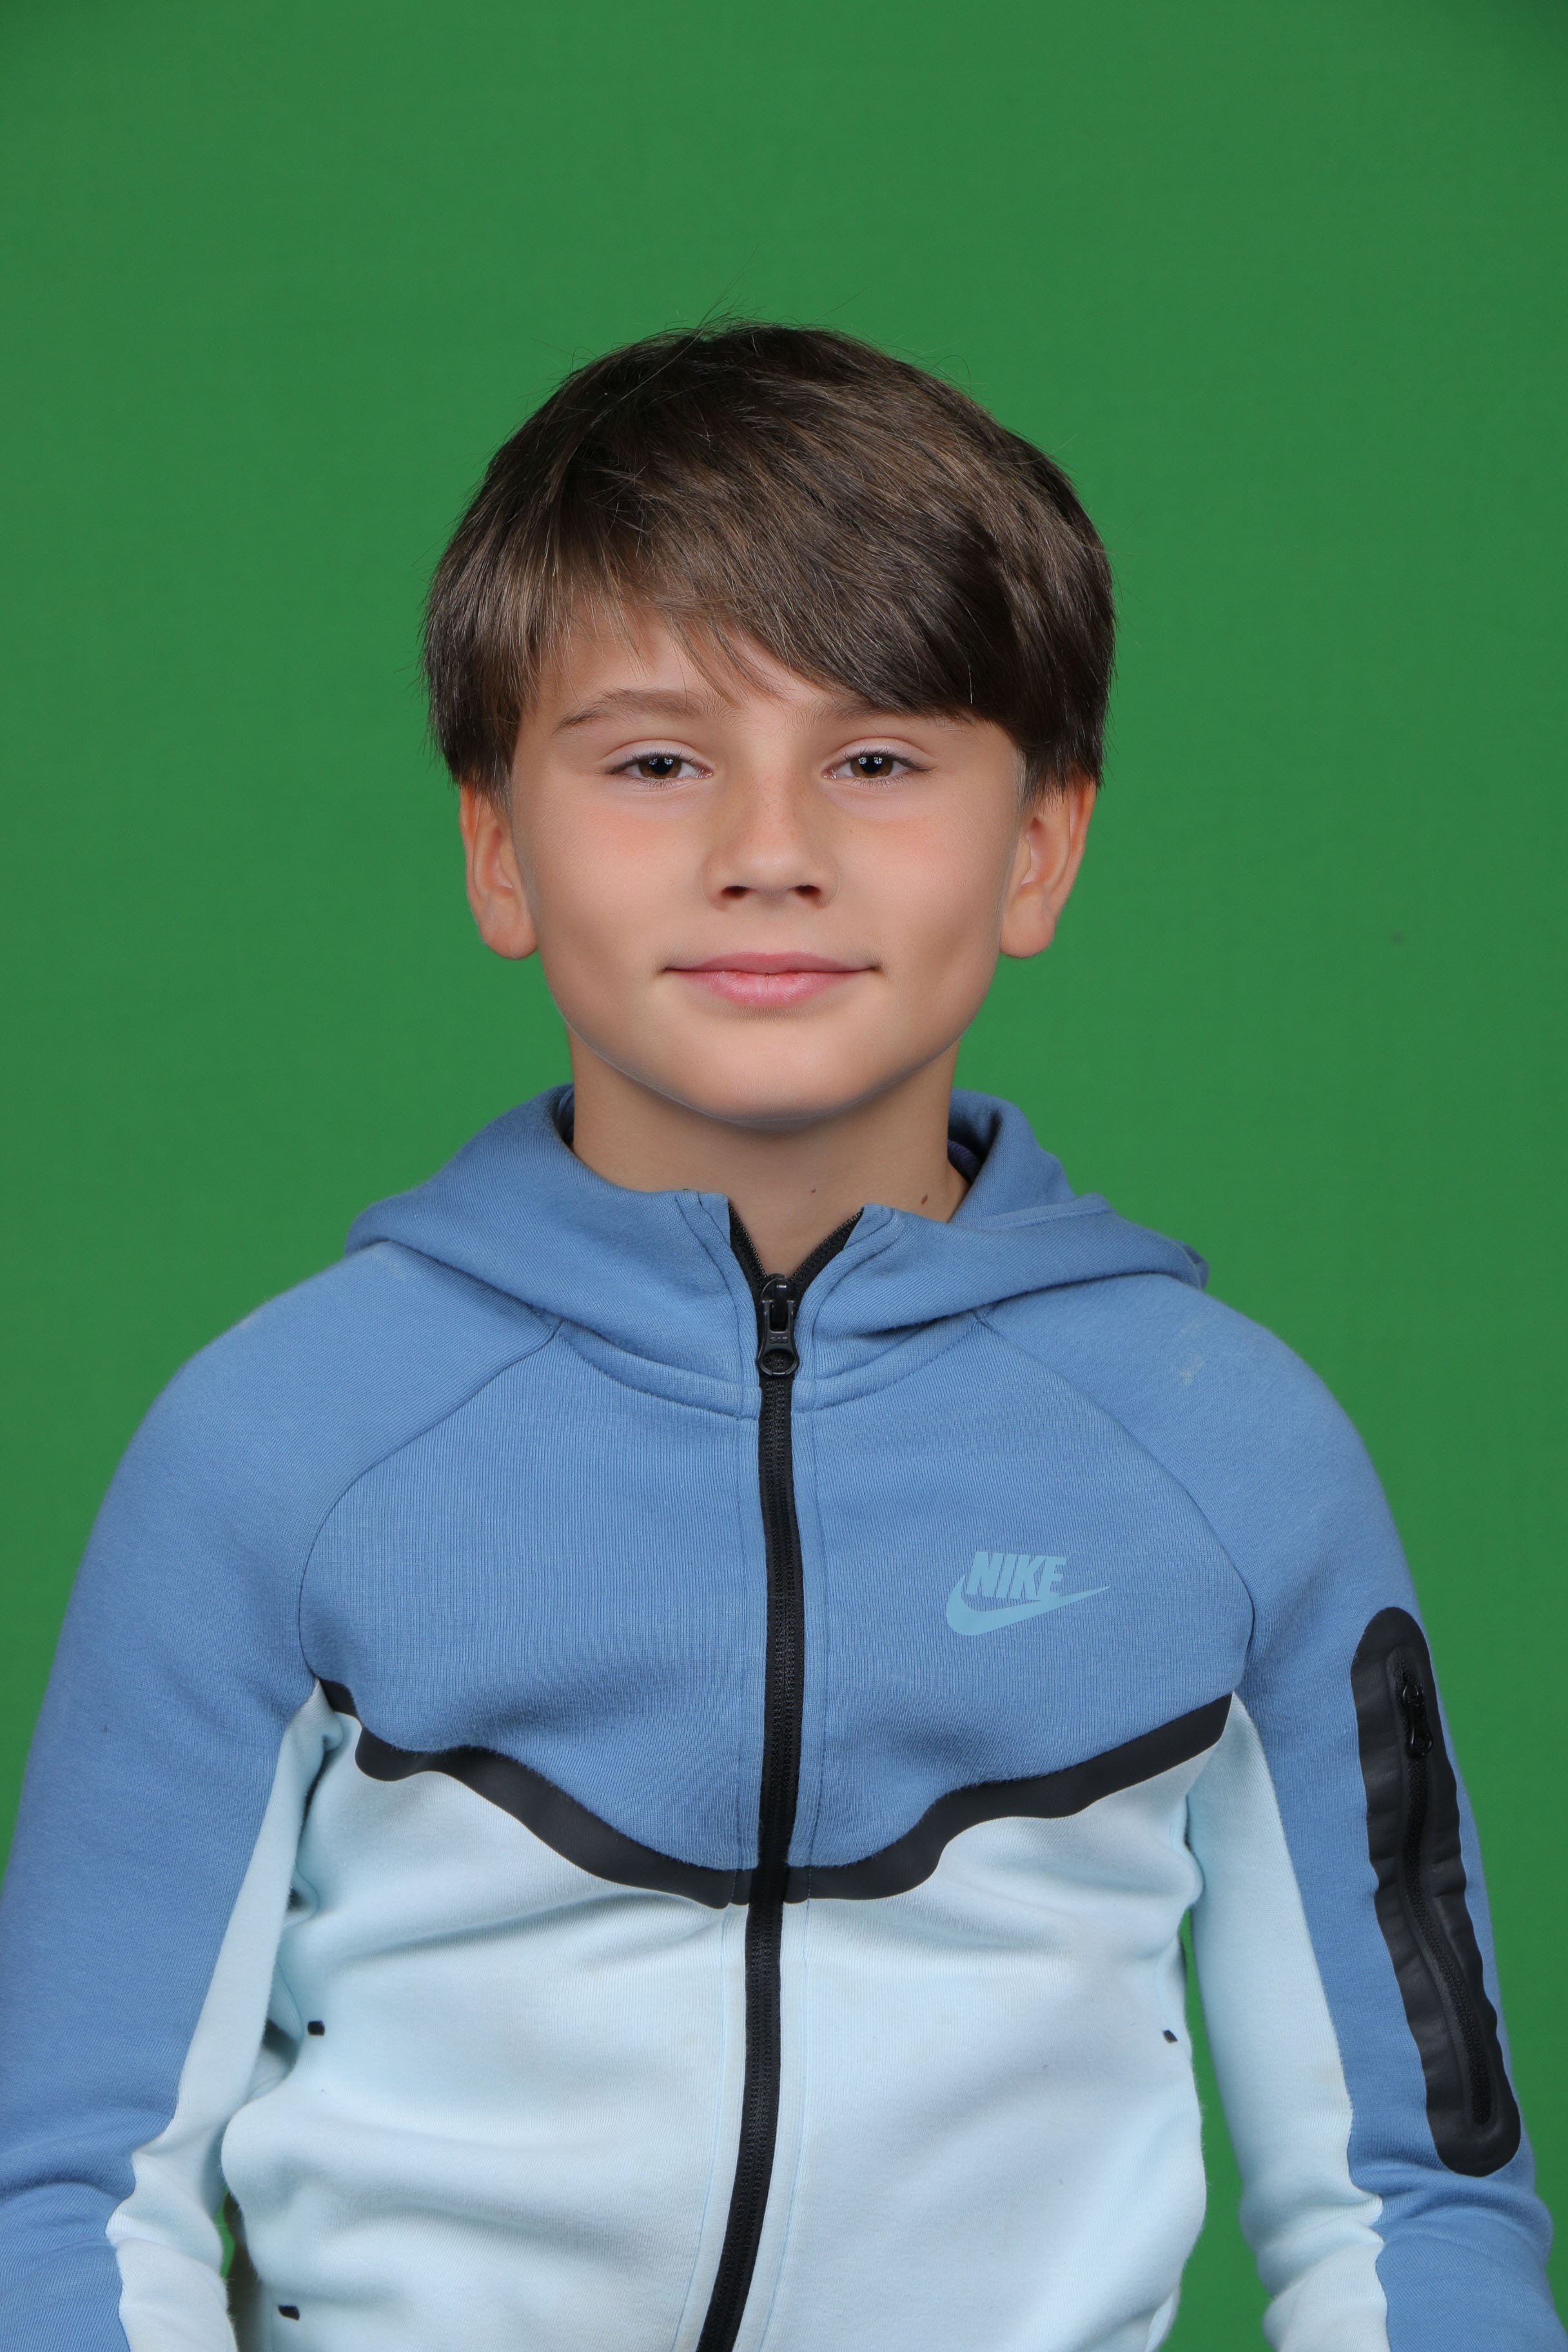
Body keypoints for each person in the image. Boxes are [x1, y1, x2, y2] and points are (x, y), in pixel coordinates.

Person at [0, 324, 1558, 2352]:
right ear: (496, 847)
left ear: (1041, 846)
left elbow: (1416, 2209)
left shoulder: (1234, 1457)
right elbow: (67, 2198)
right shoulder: (274, 1449)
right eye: (655, 761)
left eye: (878, 760)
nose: (768, 848)